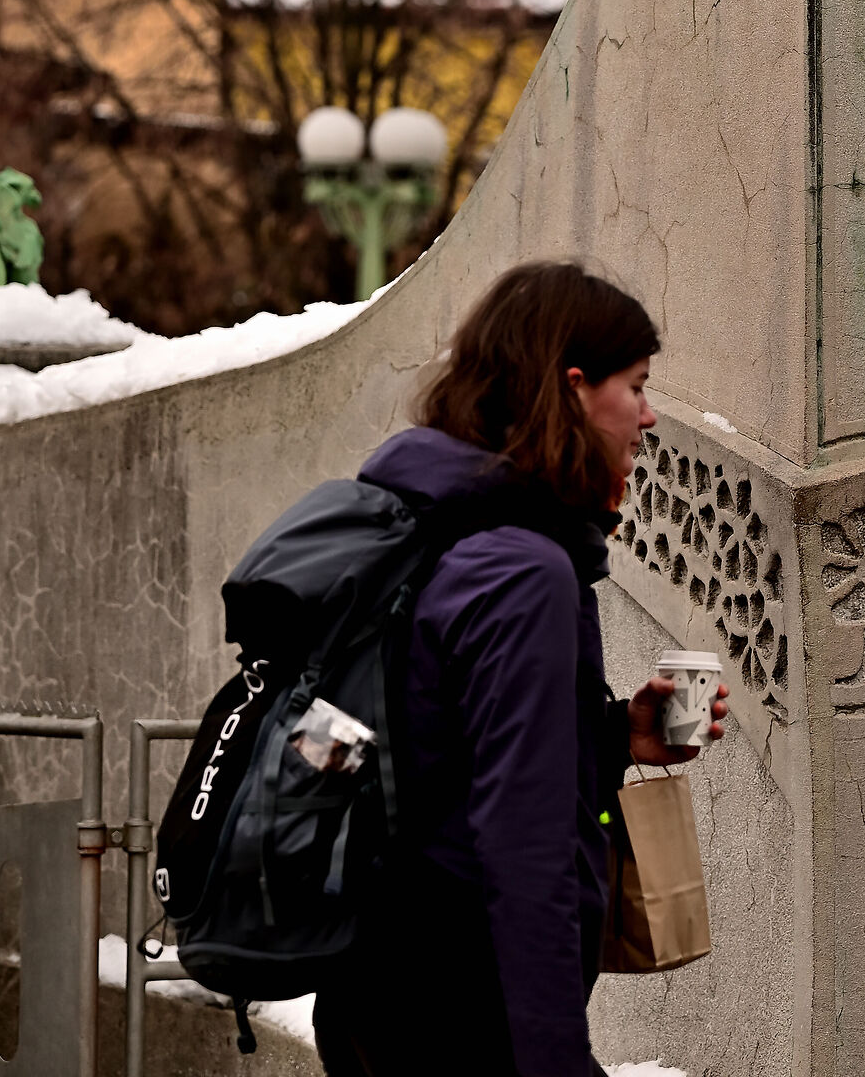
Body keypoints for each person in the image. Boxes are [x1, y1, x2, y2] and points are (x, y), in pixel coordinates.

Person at [312, 259, 728, 1077]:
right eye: (636, 387)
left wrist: (608, 734)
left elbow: (432, 746)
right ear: (575, 390)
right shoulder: (523, 570)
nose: (647, 418)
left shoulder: (431, 524)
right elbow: (523, 849)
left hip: (375, 985)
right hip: (462, 1008)